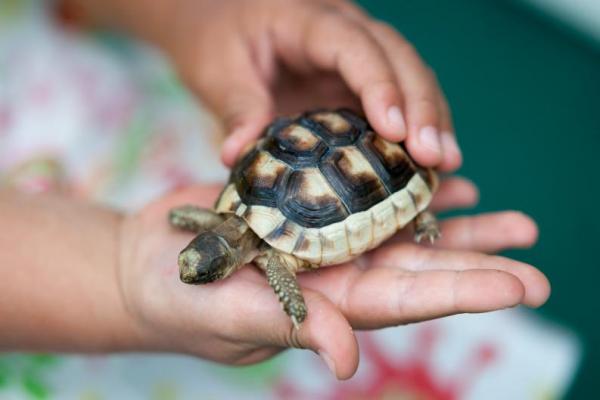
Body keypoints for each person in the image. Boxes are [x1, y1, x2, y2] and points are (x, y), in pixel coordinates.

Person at [0, 0, 550, 380]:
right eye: (201, 266)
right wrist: (120, 275)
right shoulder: (253, 242)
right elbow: (240, 241)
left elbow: (257, 250)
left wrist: (203, 16)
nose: (194, 270)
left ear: (228, 258)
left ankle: (417, 207)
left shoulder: (262, 248)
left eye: (200, 266)